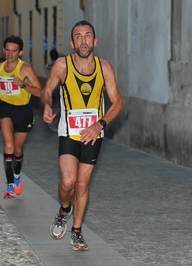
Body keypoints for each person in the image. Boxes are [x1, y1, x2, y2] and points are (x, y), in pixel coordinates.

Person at [41, 20, 123, 251]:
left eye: (87, 36)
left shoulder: (104, 67)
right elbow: (47, 92)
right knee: (68, 182)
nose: (83, 40)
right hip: (68, 132)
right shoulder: (62, 65)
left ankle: (76, 231)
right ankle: (63, 210)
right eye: (78, 36)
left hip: (93, 135)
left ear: (94, 41)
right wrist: (47, 106)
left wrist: (99, 125)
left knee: (82, 184)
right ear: (71, 42)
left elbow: (118, 103)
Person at [0, 35, 42, 198]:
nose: (10, 54)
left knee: (18, 149)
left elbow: (40, 91)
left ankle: (17, 175)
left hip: (23, 111)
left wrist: (23, 84)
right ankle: (10, 184)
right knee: (9, 145)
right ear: (3, 50)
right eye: (8, 50)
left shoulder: (26, 69)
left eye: (14, 51)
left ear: (20, 52)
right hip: (5, 108)